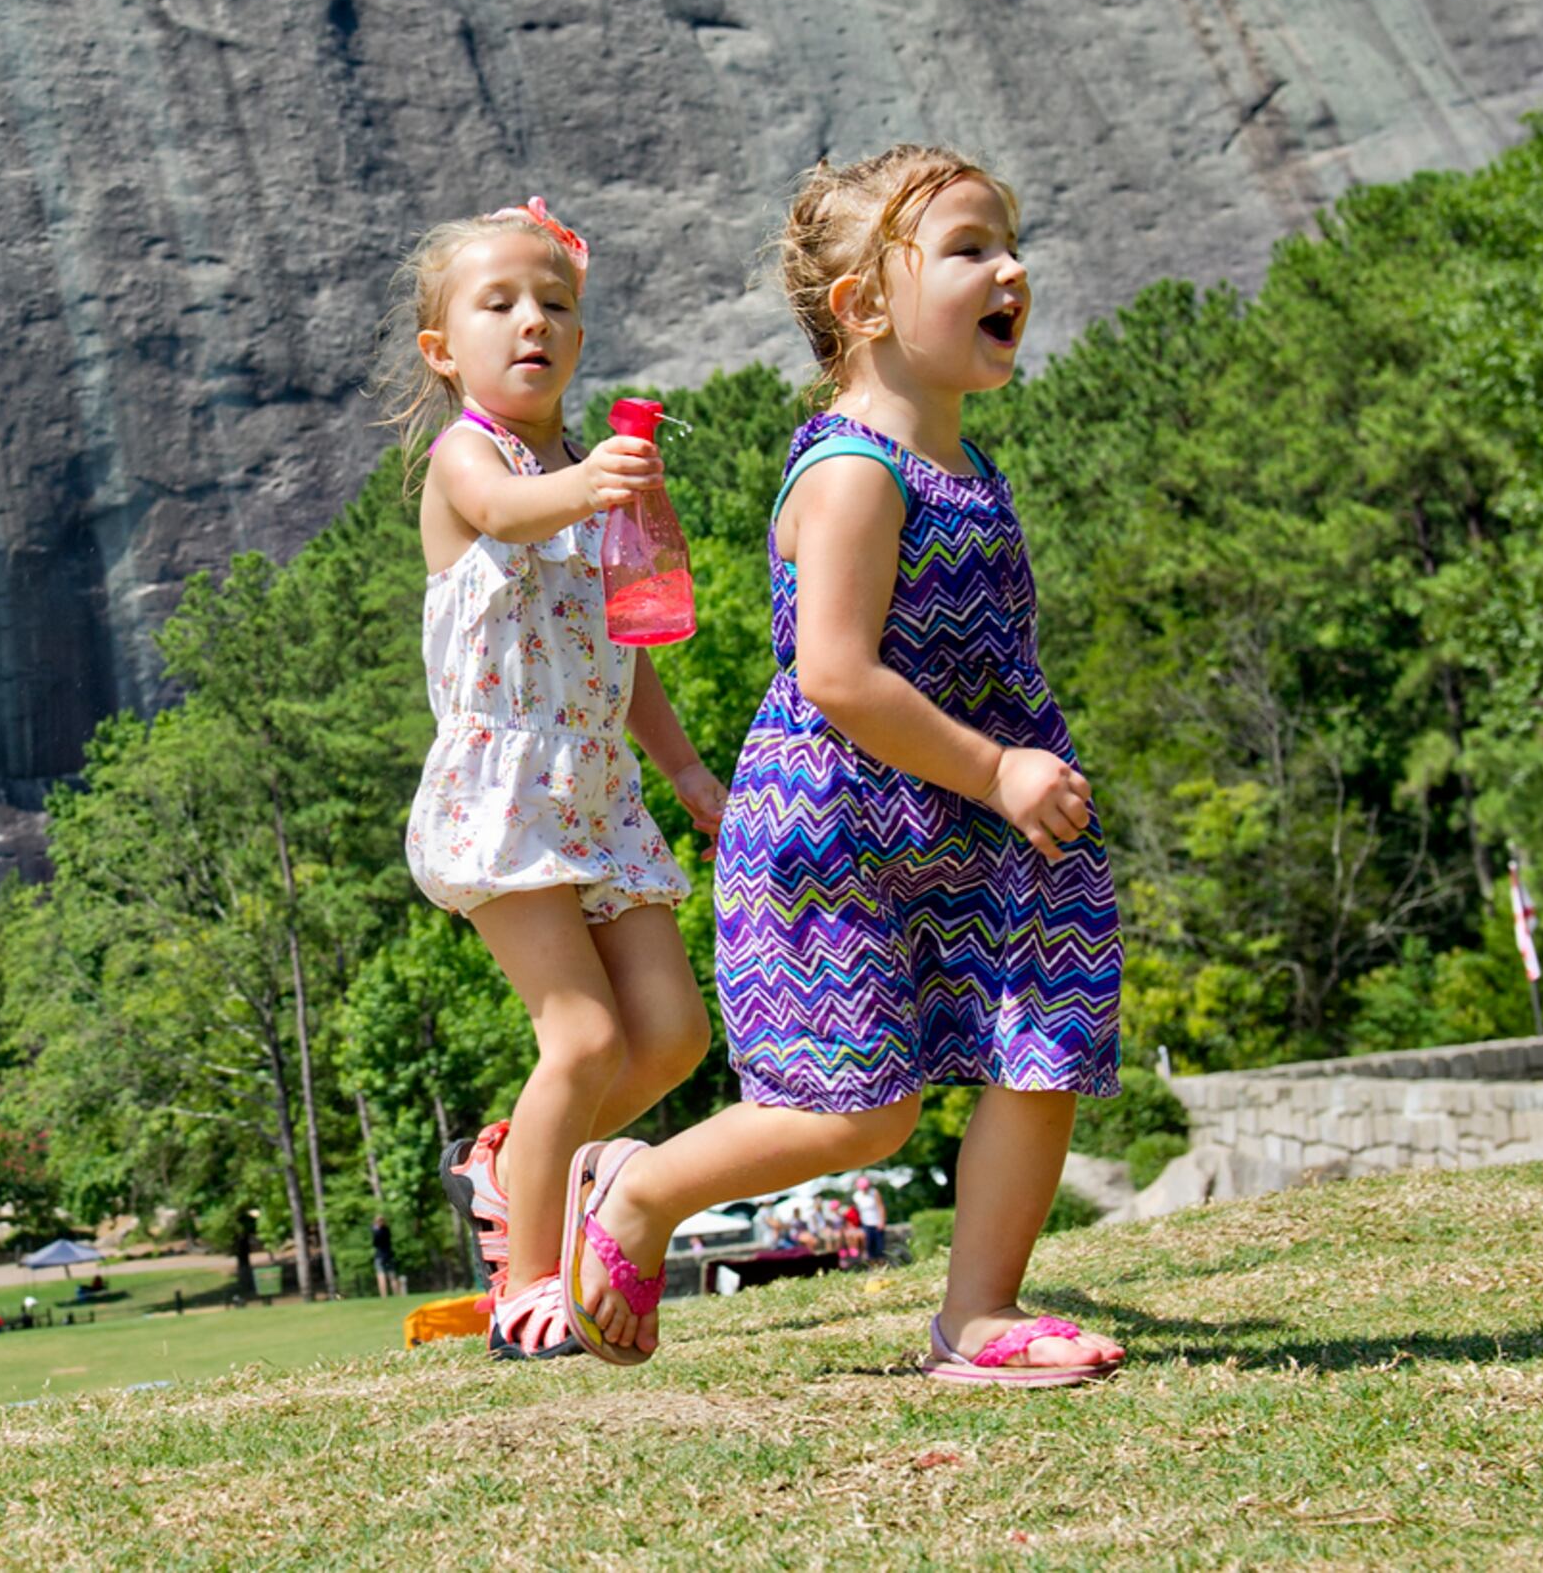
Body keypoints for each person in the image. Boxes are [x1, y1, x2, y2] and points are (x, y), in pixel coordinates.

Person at [569, 147, 1126, 1384]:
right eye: (972, 247)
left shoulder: (967, 464)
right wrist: (1000, 771)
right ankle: (639, 1189)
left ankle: (976, 1319)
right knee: (859, 1110)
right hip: (844, 828)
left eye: (1011, 241)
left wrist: (1007, 780)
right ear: (866, 305)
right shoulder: (853, 471)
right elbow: (835, 673)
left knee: (1041, 1037)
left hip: (979, 820)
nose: (1012, 268)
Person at [391, 199, 725, 1362]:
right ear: (446, 350)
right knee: (580, 1040)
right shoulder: (470, 457)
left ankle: (508, 1162)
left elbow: (624, 647)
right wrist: (597, 492)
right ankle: (528, 1290)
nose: (533, 321)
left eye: (556, 305)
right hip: (504, 792)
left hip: (599, 789)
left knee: (675, 1036)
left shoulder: (589, 478)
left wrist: (684, 771)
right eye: (500, 305)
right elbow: (505, 512)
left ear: (578, 339)